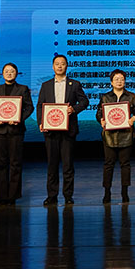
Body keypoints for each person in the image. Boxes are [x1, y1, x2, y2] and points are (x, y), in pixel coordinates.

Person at [37, 54, 89, 206]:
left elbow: (85, 101)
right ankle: (51, 196)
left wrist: (74, 109)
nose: (60, 66)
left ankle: (68, 196)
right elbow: (40, 105)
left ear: (67, 66)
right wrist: (41, 122)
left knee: (68, 165)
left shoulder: (75, 84)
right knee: (52, 165)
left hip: (68, 130)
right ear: (53, 66)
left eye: (63, 63)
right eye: (57, 64)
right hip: (51, 130)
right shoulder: (45, 85)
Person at [0, 62, 34, 206]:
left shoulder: (22, 89)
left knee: (15, 163)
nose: (9, 73)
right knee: (0, 163)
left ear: (16, 73)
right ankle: (2, 195)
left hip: (16, 131)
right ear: (2, 74)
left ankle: (13, 195)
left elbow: (29, 107)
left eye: (12, 71)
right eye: (6, 71)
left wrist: (19, 118)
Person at [97, 69, 135, 204]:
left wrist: (132, 119)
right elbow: (98, 114)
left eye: (122, 79)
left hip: (126, 135)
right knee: (108, 165)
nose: (119, 81)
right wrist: (101, 121)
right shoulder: (105, 97)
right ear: (111, 82)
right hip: (109, 136)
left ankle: (124, 192)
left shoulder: (131, 96)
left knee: (125, 165)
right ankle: (107, 192)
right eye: (116, 79)